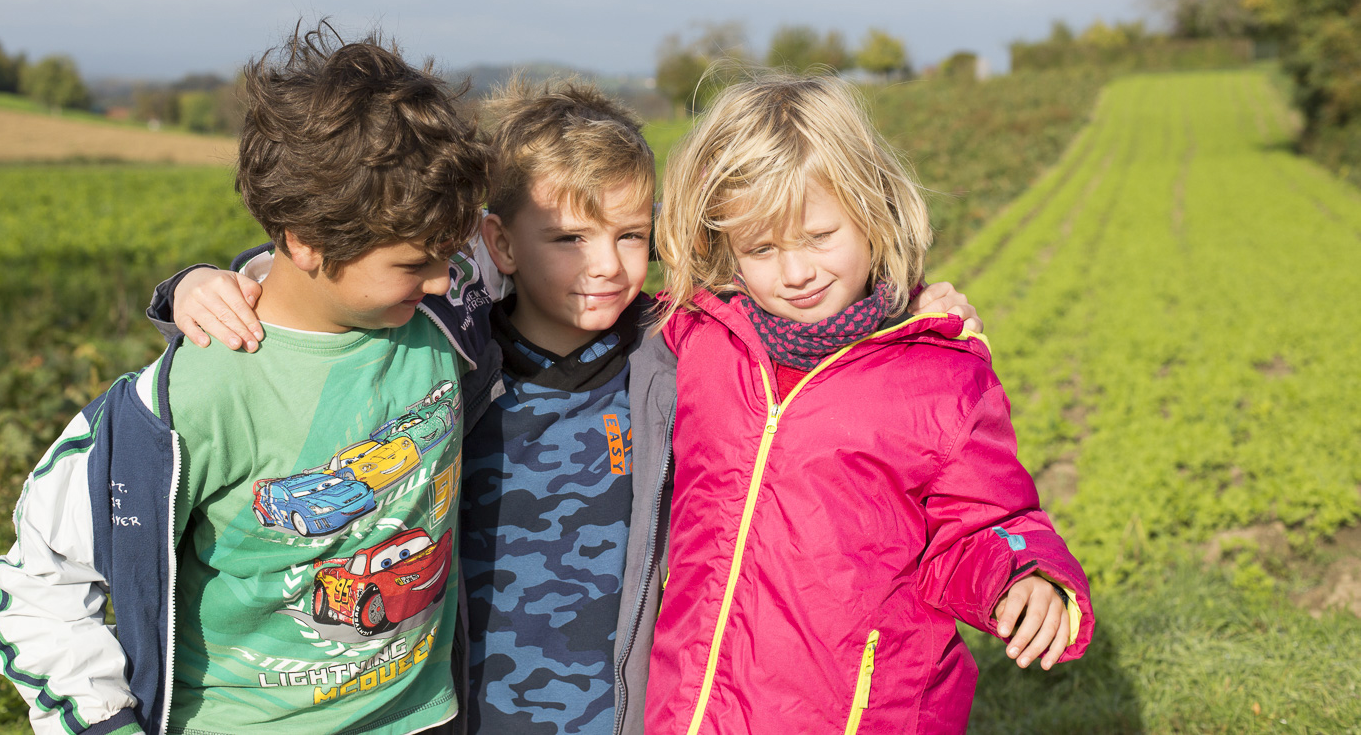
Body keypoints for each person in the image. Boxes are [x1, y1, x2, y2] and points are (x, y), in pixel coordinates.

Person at [158, 80, 981, 735]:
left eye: (631, 234)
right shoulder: (448, 349)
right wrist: (209, 282)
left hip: (624, 711)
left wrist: (909, 313)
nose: (608, 266)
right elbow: (340, 290)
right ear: (502, 241)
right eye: (570, 238)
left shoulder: (676, 347)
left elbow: (809, 334)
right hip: (465, 708)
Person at [0, 25, 493, 735]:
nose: (446, 277)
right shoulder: (194, 392)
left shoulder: (442, 321)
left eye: (447, 252)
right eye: (415, 263)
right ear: (306, 238)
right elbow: (37, 586)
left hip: (422, 718)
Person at [645, 70, 1094, 735]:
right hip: (694, 708)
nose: (795, 272)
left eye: (820, 237)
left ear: (871, 210)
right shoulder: (695, 338)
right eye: (762, 249)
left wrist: (1022, 571)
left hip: (860, 714)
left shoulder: (940, 376)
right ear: (726, 243)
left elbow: (981, 521)